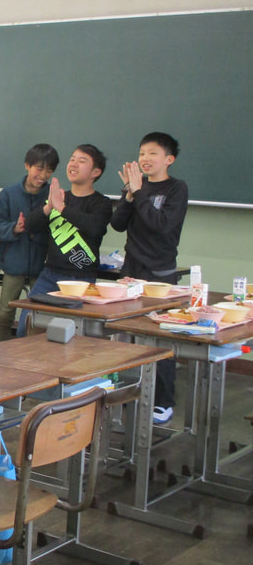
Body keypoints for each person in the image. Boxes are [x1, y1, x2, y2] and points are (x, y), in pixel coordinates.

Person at [111, 132, 187, 424]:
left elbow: (161, 226)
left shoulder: (176, 188)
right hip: (131, 271)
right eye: (142, 153)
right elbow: (118, 224)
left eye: (153, 153)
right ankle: (127, 393)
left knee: (159, 339)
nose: (145, 158)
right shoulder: (136, 187)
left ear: (169, 159)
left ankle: (163, 402)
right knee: (124, 337)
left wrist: (139, 192)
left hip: (159, 275)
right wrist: (129, 196)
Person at [17, 144, 113, 336]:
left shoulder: (101, 202)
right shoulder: (58, 196)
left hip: (82, 279)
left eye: (81, 161)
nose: (73, 164)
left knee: (72, 333)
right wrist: (48, 207)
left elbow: (94, 228)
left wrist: (62, 209)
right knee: (26, 326)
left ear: (95, 172)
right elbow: (30, 225)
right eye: (72, 159)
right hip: (50, 274)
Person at [0, 144, 60, 342]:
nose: (43, 175)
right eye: (39, 168)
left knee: (39, 315)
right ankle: (1, 351)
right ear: (27, 165)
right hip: (13, 263)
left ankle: (34, 353)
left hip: (42, 266)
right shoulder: (9, 194)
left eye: (49, 170)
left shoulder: (53, 196)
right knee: (5, 313)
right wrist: (14, 228)